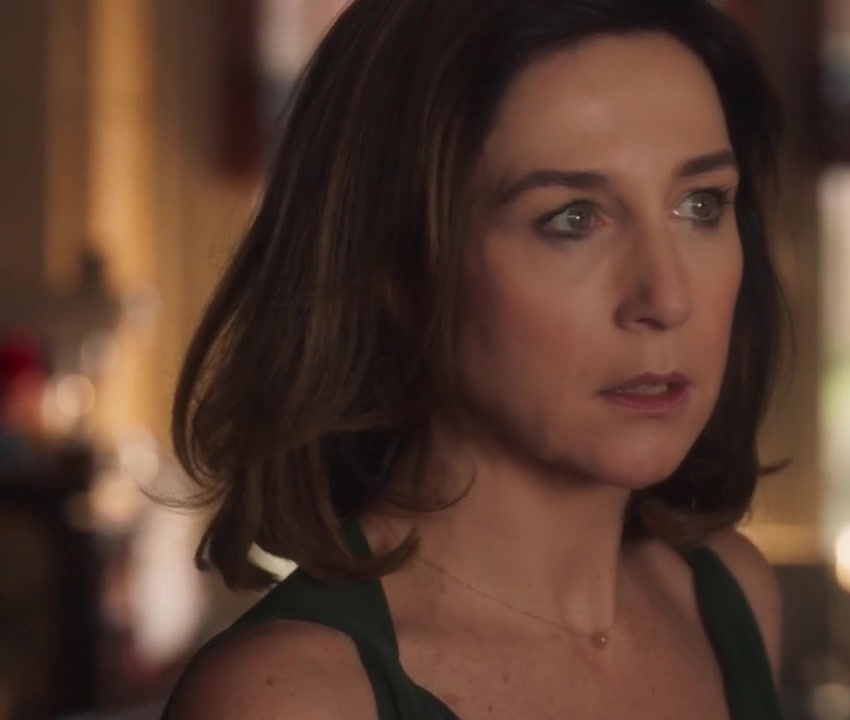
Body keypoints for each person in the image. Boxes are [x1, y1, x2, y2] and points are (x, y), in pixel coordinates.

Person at [163, 1, 789, 717]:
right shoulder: (294, 700)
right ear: (395, 264)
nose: (667, 298)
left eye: (701, 205)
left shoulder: (731, 600)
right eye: (573, 218)